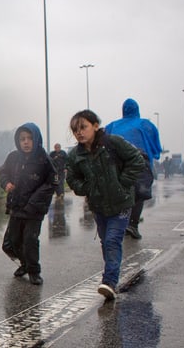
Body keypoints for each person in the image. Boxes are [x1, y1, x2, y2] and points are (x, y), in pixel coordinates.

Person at [66, 110, 144, 300]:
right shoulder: (75, 155)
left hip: (121, 204)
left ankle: (109, 282)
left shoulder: (113, 143)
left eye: (83, 127)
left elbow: (137, 160)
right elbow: (72, 178)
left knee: (112, 240)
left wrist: (123, 183)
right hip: (98, 206)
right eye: (75, 130)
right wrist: (85, 187)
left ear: (95, 125)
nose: (79, 133)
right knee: (105, 241)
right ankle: (111, 274)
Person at [0, 123, 57, 285]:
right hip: (16, 206)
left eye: (29, 138)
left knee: (30, 240)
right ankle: (24, 263)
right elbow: (3, 172)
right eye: (22, 139)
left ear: (36, 139)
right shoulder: (13, 157)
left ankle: (34, 270)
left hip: (34, 210)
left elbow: (52, 182)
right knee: (11, 242)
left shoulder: (43, 160)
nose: (26, 142)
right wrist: (6, 183)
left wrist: (35, 201)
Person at [105, 98, 162, 240]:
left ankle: (119, 224)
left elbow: (103, 142)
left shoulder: (112, 125)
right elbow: (155, 144)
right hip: (139, 161)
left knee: (120, 191)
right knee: (139, 193)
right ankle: (133, 224)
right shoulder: (145, 124)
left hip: (116, 162)